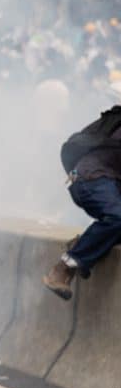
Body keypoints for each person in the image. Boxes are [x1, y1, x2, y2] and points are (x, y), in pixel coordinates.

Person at [45, 106, 121, 299]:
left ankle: (83, 244)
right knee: (118, 217)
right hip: (91, 178)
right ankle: (63, 269)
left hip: (103, 180)